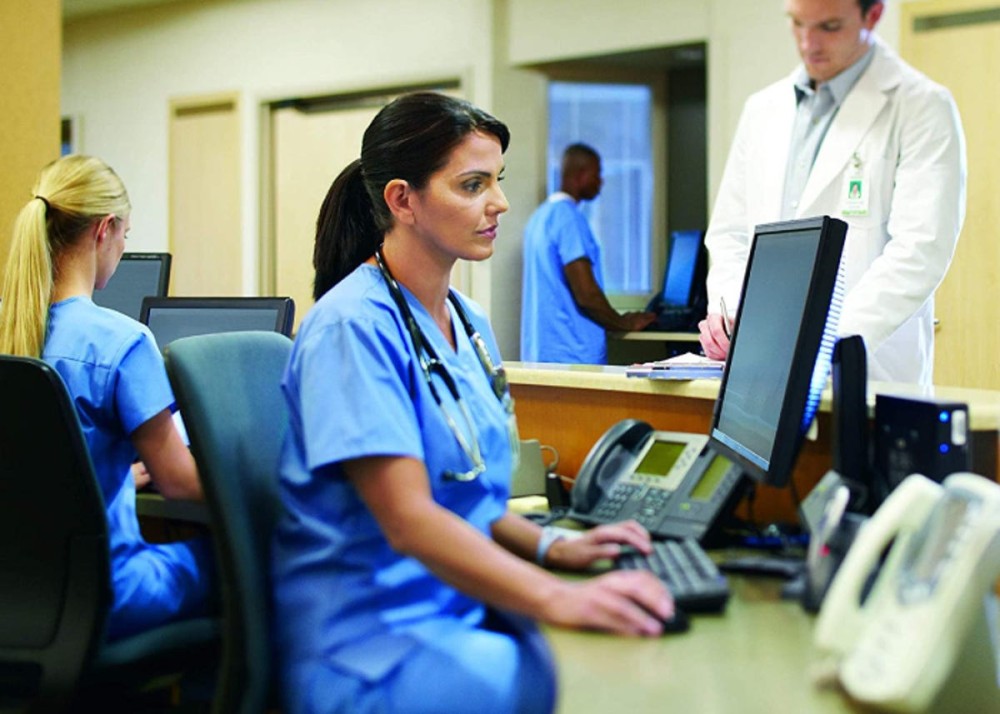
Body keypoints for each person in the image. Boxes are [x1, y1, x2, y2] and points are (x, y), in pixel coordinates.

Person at [272, 93, 673, 714]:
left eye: (498, 181)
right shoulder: (350, 329)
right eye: (472, 184)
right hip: (368, 642)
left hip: (454, 602)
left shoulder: (468, 320)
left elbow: (462, 493)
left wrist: (552, 548)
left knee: (618, 659)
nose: (500, 203)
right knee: (597, 682)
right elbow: (409, 517)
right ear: (402, 200)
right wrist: (554, 596)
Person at [0, 154, 214, 641]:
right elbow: (179, 483)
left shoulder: (7, 330)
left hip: (16, 599)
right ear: (105, 229)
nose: (122, 246)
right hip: (103, 595)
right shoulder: (122, 342)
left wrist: (110, 479)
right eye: (126, 235)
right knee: (237, 560)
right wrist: (262, 482)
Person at [699, 0, 966, 386]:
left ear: (873, 16)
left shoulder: (921, 107)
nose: (809, 44)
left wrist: (821, 344)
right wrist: (729, 314)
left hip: (868, 372)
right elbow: (731, 235)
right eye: (797, 24)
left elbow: (920, 250)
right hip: (760, 374)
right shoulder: (762, 110)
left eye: (829, 26)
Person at [521, 143, 655, 364]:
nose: (600, 181)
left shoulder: (540, 217)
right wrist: (623, 323)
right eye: (597, 173)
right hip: (573, 357)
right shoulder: (569, 219)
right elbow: (586, 295)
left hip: (542, 354)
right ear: (581, 175)